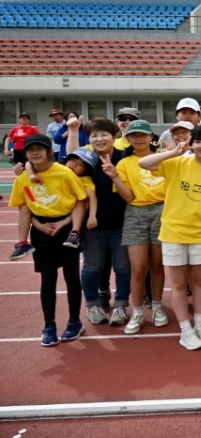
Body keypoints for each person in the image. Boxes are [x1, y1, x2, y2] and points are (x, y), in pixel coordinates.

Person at [138, 127, 201, 350]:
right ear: (190, 143)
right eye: (197, 141)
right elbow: (144, 163)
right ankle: (185, 330)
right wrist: (174, 153)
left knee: (200, 281)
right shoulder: (177, 163)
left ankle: (200, 326)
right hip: (174, 232)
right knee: (179, 283)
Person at [9, 135, 88, 346]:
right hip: (41, 231)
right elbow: (24, 206)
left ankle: (74, 321)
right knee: (48, 279)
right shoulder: (23, 178)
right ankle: (49, 325)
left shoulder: (64, 174)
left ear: (49, 152)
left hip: (66, 228)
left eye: (39, 149)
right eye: (30, 150)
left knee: (72, 277)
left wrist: (67, 225)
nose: (35, 153)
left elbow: (81, 200)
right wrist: (39, 226)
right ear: (25, 154)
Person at [67, 117, 132, 327]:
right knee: (92, 267)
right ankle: (93, 305)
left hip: (122, 224)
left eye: (104, 134)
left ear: (114, 137)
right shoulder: (86, 160)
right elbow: (68, 161)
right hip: (92, 226)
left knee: (123, 267)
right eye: (94, 135)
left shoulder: (124, 158)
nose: (99, 138)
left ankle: (121, 305)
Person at [114, 119, 169, 334]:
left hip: (163, 211)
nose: (138, 138)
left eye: (143, 134)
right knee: (137, 268)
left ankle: (157, 306)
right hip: (135, 213)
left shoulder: (163, 159)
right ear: (127, 138)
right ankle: (137, 311)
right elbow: (128, 197)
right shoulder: (124, 164)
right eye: (133, 135)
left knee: (157, 265)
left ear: (151, 137)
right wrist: (114, 177)